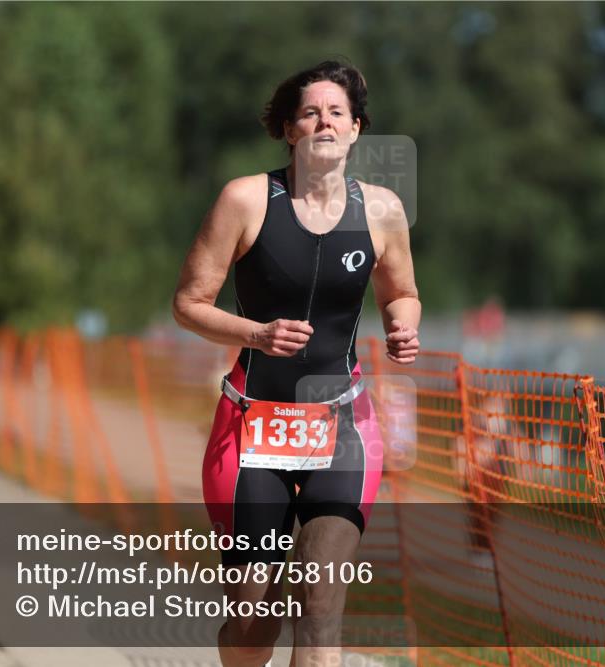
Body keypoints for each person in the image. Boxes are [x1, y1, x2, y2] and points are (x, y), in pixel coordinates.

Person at [173, 60, 421, 667]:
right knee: (254, 621)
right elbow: (188, 303)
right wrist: (258, 334)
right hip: (252, 428)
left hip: (342, 430)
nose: (324, 122)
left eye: (337, 112)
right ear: (290, 129)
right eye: (310, 112)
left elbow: (403, 292)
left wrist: (402, 326)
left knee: (319, 613)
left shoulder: (383, 210)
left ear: (357, 129)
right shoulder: (245, 199)